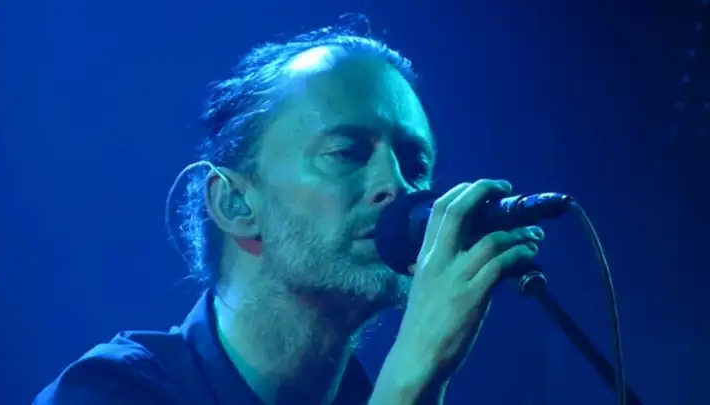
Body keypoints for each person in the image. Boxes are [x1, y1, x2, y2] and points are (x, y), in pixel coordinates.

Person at [34, 16, 544, 405]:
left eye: (415, 164)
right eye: (346, 152)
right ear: (235, 202)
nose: (396, 186)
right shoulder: (109, 392)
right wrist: (411, 384)